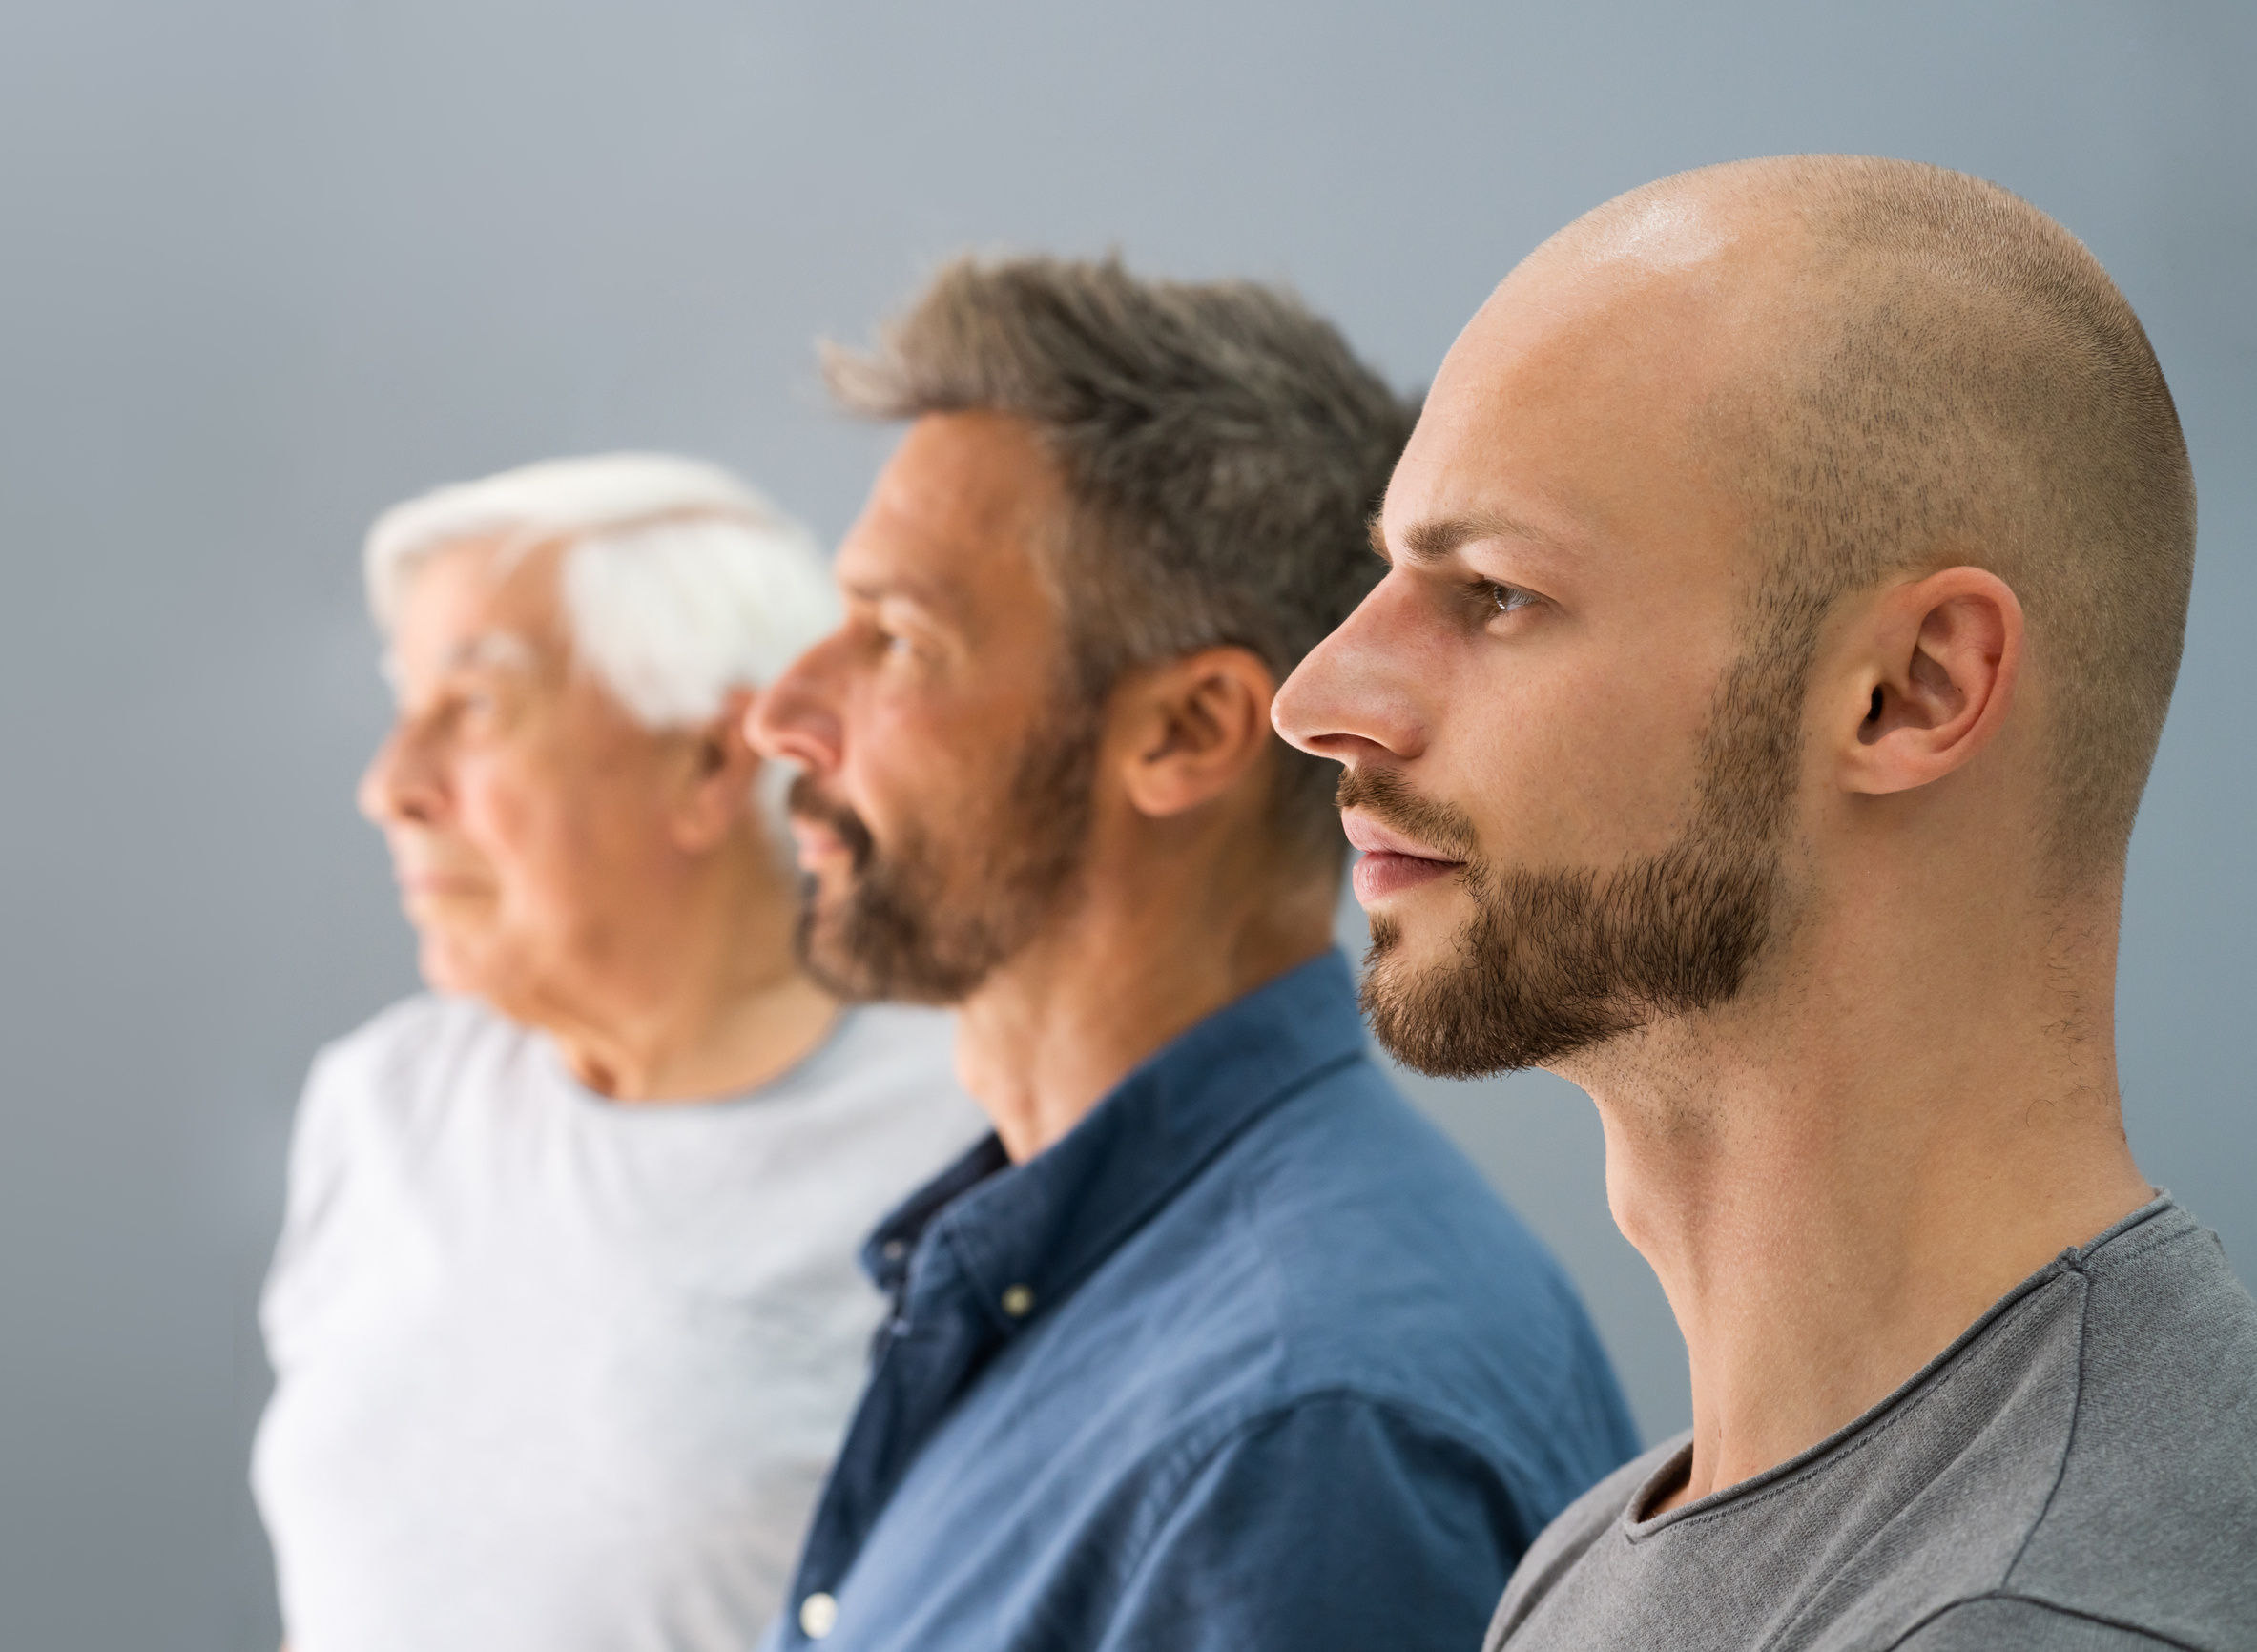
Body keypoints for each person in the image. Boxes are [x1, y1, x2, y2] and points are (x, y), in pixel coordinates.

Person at [1274, 155, 2257, 1651]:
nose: (1316, 698)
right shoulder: (1591, 1560)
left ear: (1908, 691)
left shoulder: (2052, 1613)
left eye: (1493, 594)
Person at [742, 256, 1637, 1652]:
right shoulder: (1079, 1290)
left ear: (1185, 733)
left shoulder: (1305, 1436)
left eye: (894, 638)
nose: (785, 713)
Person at [251, 454, 983, 1652]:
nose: (392, 786)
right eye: (404, 706)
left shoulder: (975, 1140)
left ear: (711, 762)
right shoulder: (384, 1104)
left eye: (476, 708)